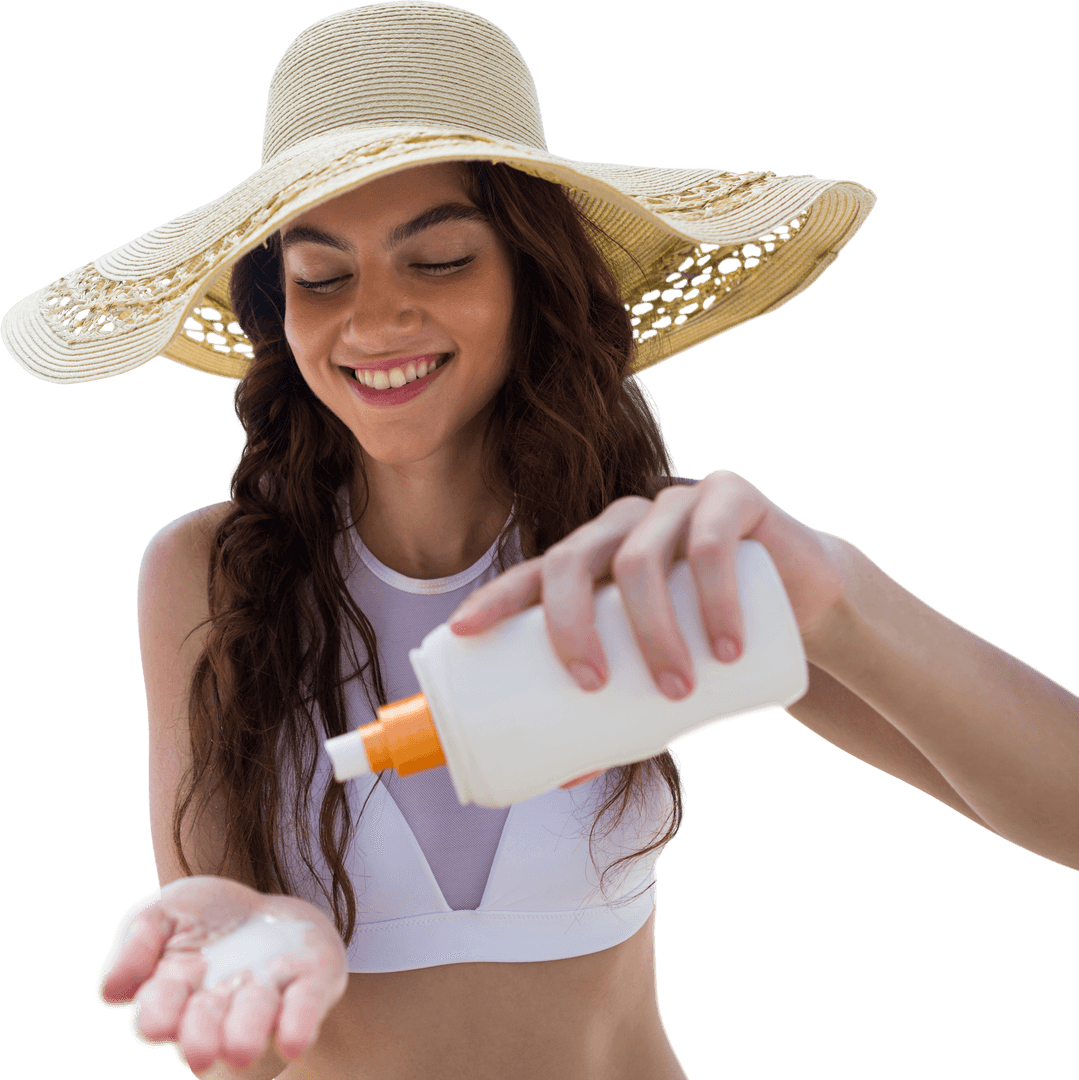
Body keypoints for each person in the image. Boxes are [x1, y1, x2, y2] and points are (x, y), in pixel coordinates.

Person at [3, 4, 1076, 1080]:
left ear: (529, 275)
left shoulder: (642, 561)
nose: (372, 323)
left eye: (439, 260)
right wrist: (241, 938)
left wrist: (839, 594)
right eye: (321, 276)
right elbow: (229, 964)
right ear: (277, 310)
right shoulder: (206, 573)